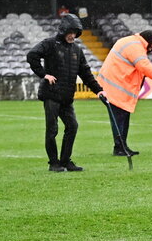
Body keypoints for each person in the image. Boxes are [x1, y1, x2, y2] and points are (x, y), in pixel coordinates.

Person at [26, 13, 105, 172]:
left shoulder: (77, 50)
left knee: (72, 126)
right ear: (63, 31)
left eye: (75, 32)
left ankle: (65, 160)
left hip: (67, 97)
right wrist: (44, 74)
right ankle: (53, 163)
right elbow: (32, 55)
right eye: (70, 32)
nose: (73, 35)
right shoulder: (50, 44)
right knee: (52, 129)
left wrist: (99, 91)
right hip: (51, 94)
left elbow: (86, 73)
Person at [97, 30, 152, 157]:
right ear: (147, 40)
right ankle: (119, 148)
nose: (151, 48)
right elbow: (144, 66)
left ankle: (122, 146)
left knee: (123, 118)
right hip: (114, 89)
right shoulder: (135, 46)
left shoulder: (131, 42)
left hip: (114, 87)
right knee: (119, 119)